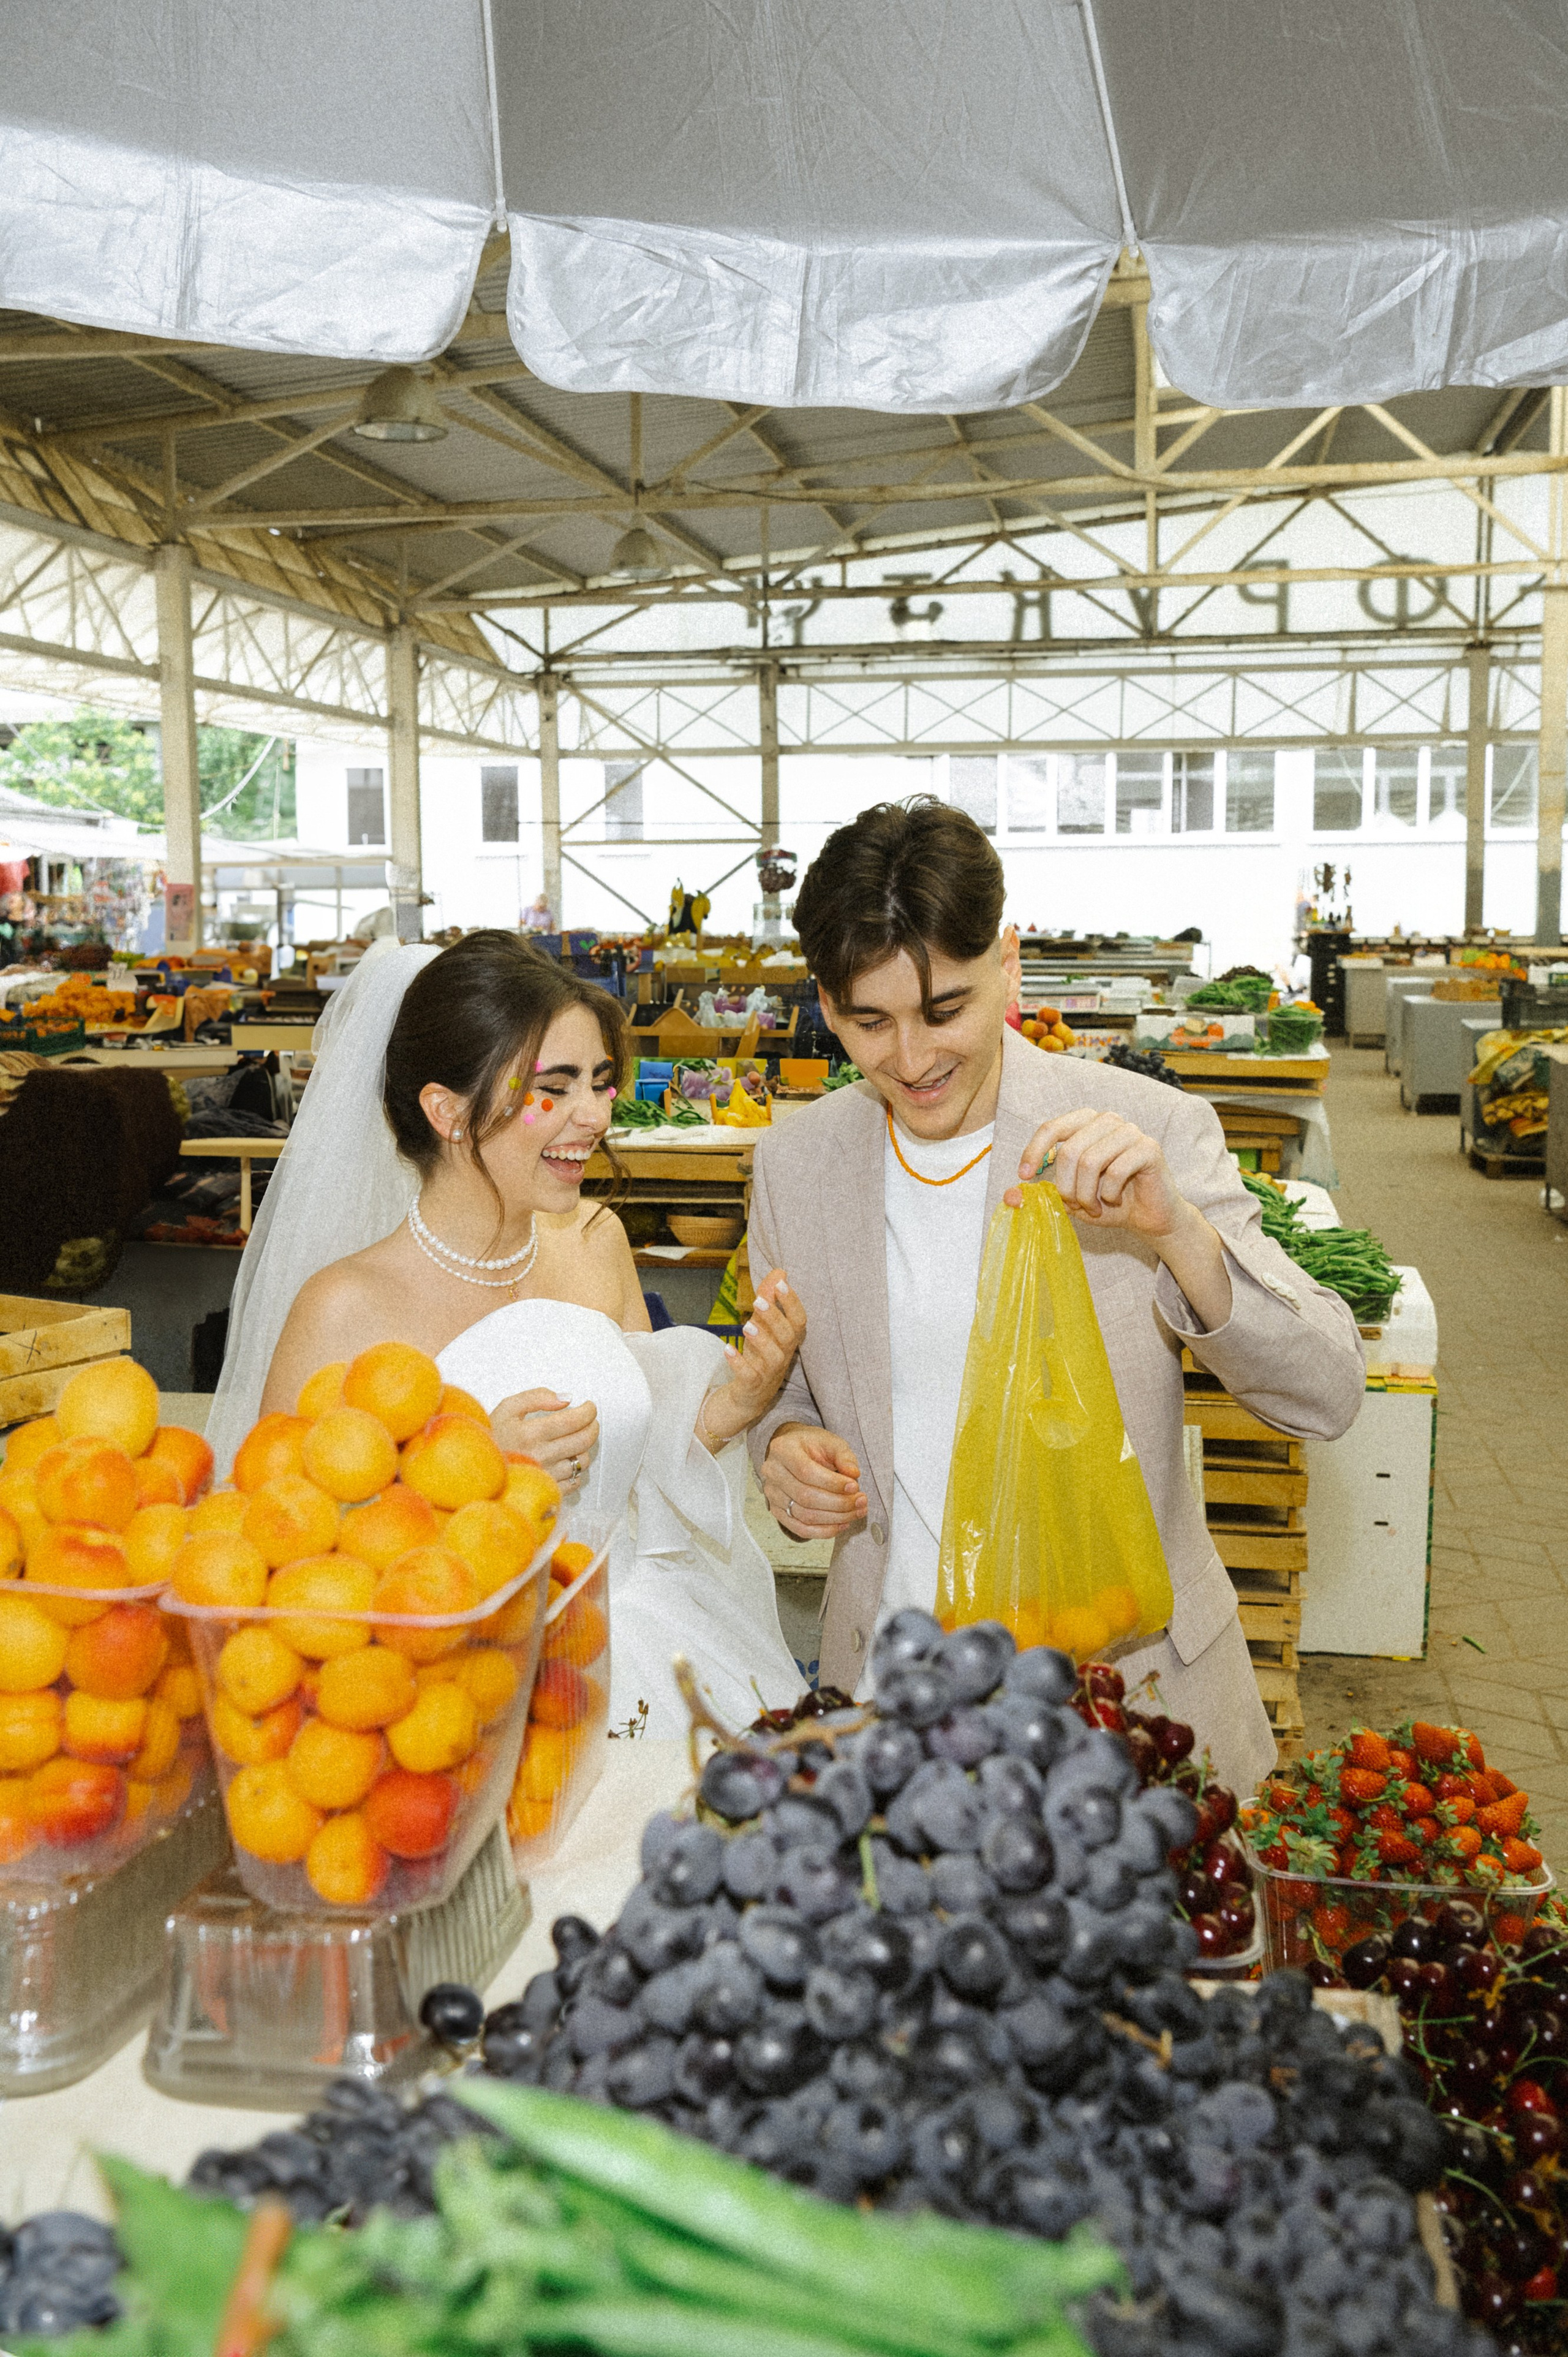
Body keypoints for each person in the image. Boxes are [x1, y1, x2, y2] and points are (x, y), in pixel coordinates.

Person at [746, 801, 1366, 1795]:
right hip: (897, 1711)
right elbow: (789, 1388)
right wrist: (783, 1447)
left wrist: (1177, 1232)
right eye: (870, 1022)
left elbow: (1328, 1390)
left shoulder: (1141, 1129)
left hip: (1124, 1706)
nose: (910, 1059)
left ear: (1010, 964)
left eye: (945, 1009)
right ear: (825, 1004)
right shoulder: (795, 1166)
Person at [209, 931, 807, 1737]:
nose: (594, 1117)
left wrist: (734, 1405)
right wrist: (460, 1476)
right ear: (448, 1112)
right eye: (552, 1091)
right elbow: (282, 1558)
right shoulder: (344, 1307)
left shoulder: (597, 1239)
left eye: (598, 1082)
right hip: (455, 1688)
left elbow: (633, 1448)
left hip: (642, 1641)